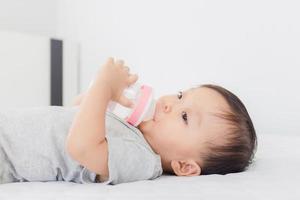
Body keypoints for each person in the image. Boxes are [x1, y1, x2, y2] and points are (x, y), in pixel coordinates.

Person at [0, 58, 257, 185]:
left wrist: (103, 85)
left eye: (185, 116)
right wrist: (105, 97)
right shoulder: (131, 129)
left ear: (185, 167)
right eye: (180, 95)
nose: (169, 103)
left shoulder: (143, 160)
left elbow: (80, 147)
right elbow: (73, 114)